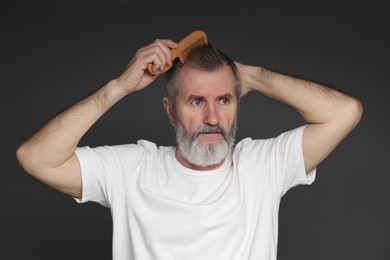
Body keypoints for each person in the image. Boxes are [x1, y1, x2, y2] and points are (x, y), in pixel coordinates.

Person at [16, 35, 362, 260]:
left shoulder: (262, 166)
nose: (212, 116)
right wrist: (118, 88)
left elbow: (344, 112)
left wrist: (251, 76)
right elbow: (35, 158)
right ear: (170, 110)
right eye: (196, 101)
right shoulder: (132, 168)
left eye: (224, 99)